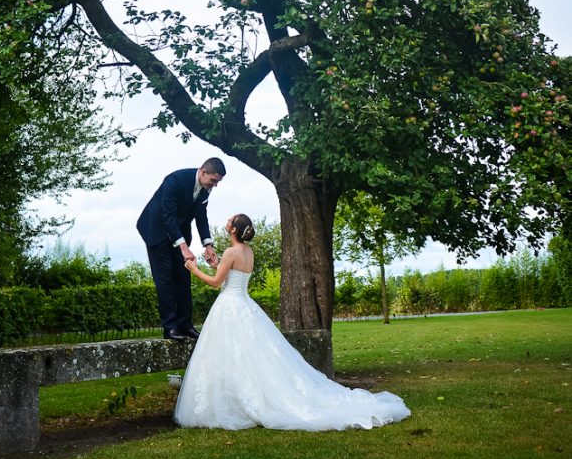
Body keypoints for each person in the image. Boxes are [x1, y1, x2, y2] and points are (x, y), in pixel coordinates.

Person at [174, 213, 411, 430]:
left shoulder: (230, 252)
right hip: (243, 304)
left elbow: (217, 283)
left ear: (234, 229)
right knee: (248, 357)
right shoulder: (247, 252)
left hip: (230, 306)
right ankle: (238, 397)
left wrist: (193, 268)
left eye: (230, 220)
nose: (227, 222)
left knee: (232, 356)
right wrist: (216, 265)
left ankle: (232, 402)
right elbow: (230, 275)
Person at [137, 157, 226, 340]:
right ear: (203, 172)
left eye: (218, 182)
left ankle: (185, 325)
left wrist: (208, 245)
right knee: (166, 279)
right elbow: (168, 215)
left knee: (184, 277)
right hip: (156, 231)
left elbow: (201, 217)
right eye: (213, 180)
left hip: (178, 232)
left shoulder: (205, 189)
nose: (215, 185)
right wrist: (184, 247)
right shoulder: (175, 181)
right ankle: (170, 328)